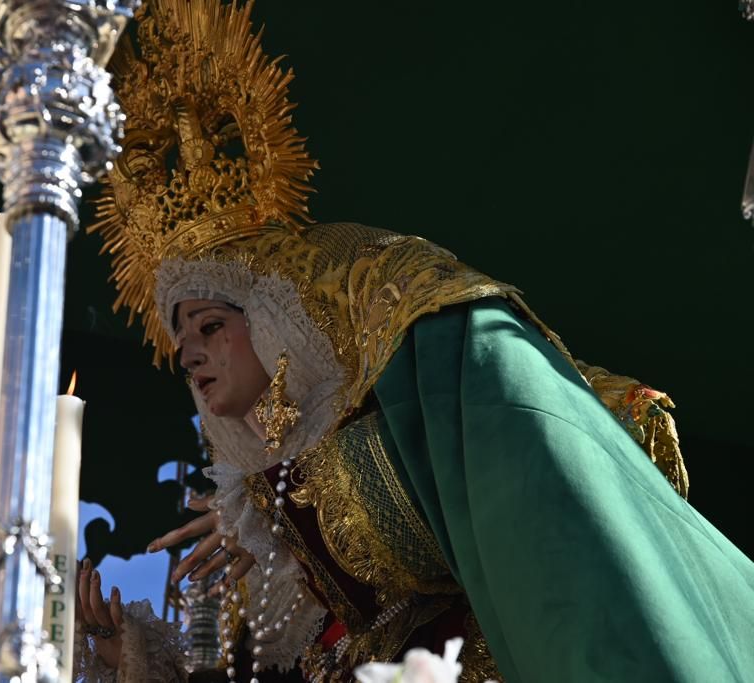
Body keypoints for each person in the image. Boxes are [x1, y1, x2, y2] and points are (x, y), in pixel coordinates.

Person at [72, 0, 754, 681]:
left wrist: (296, 496)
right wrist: (147, 660)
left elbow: (512, 477)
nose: (188, 353)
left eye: (211, 326)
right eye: (181, 337)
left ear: (276, 320)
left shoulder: (402, 406)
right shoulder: (262, 527)